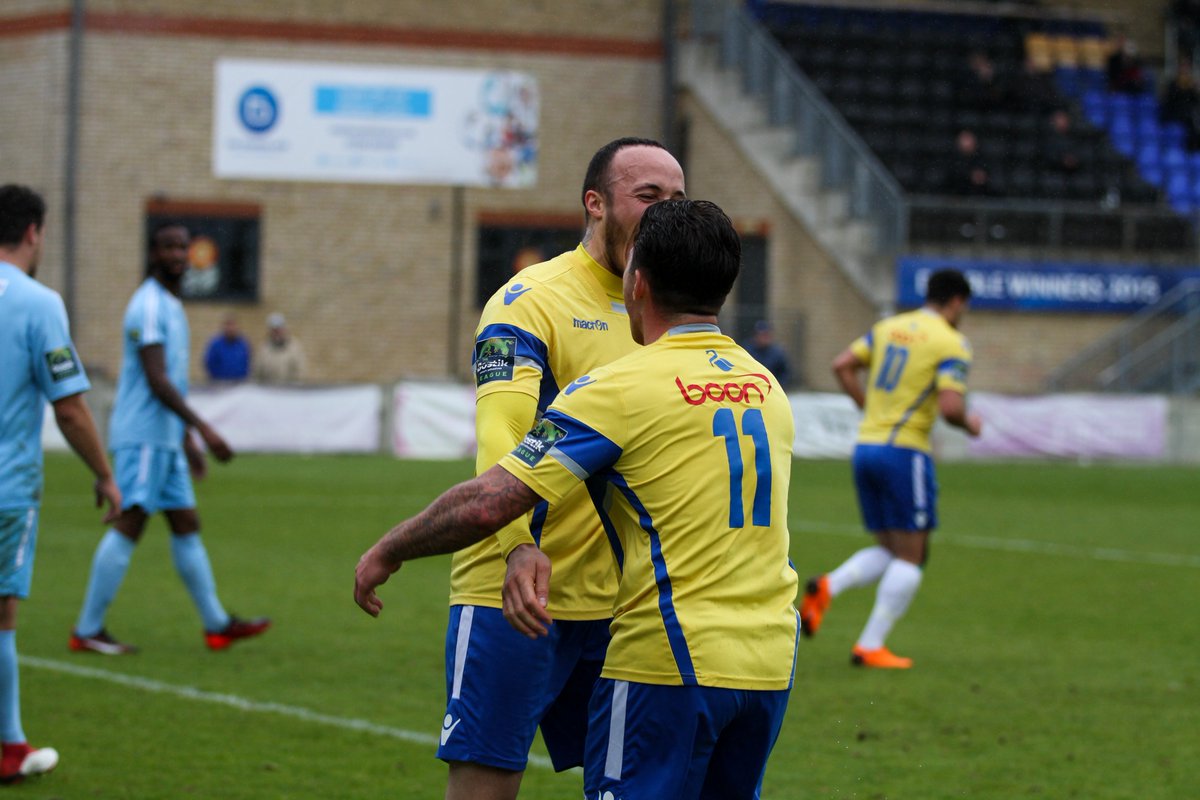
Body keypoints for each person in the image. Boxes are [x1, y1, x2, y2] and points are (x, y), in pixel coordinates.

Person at [356, 199, 799, 799]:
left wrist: (392, 547)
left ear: (636, 282)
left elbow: (491, 500)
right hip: (768, 662)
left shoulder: (618, 388)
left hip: (667, 660)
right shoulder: (765, 386)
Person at [382, 137, 684, 799]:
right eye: (648, 196)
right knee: (487, 784)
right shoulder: (530, 301)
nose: (665, 212)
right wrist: (515, 545)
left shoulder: (667, 312)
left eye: (677, 199)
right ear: (595, 204)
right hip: (516, 591)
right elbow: (500, 434)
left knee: (629, 787)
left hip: (624, 604)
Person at [69, 222, 270, 655]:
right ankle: (86, 629)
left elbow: (170, 383)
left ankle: (217, 624)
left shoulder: (172, 306)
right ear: (154, 254)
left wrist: (186, 443)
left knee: (186, 523)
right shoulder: (147, 307)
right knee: (132, 519)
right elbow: (157, 381)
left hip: (165, 439)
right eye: (169, 248)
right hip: (142, 436)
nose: (178, 255)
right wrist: (204, 428)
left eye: (183, 247)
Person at [800, 268, 982, 669]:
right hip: (905, 452)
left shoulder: (889, 327)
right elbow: (951, 408)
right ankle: (870, 644)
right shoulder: (952, 342)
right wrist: (970, 424)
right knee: (912, 555)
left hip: (867, 447)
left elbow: (842, 365)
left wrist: (870, 409)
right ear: (955, 302)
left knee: (890, 547)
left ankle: (829, 586)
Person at [0, 185, 121, 783]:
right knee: (2, 614)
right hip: (5, 489)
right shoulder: (37, 302)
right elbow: (70, 409)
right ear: (33, 233)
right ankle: (10, 747)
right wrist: (104, 474)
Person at [254, 312, 306, 385]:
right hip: (268, 392)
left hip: (288, 392)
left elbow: (300, 372)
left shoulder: (295, 348)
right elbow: (257, 373)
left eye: (279, 329)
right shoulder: (263, 349)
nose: (277, 332)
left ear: (284, 329)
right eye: (274, 329)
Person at [745, 319, 793, 388]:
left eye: (767, 335)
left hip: (772, 388)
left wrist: (777, 385)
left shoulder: (777, 353)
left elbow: (784, 373)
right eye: (762, 335)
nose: (765, 338)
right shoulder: (747, 351)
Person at [203, 313, 251, 382]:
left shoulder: (243, 344)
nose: (230, 328)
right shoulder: (215, 344)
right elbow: (209, 364)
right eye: (228, 324)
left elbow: (247, 363)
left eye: (233, 324)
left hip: (239, 384)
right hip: (219, 384)